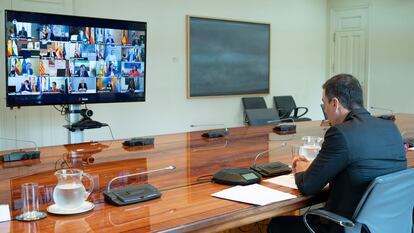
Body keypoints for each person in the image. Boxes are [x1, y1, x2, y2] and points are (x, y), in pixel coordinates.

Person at [268, 74, 407, 233]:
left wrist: (300, 168)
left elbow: (308, 186)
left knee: (277, 225)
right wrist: (314, 167)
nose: (325, 111)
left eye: (324, 104)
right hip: (387, 226)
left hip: (346, 227)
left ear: (335, 103)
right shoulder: (391, 128)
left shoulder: (341, 133)